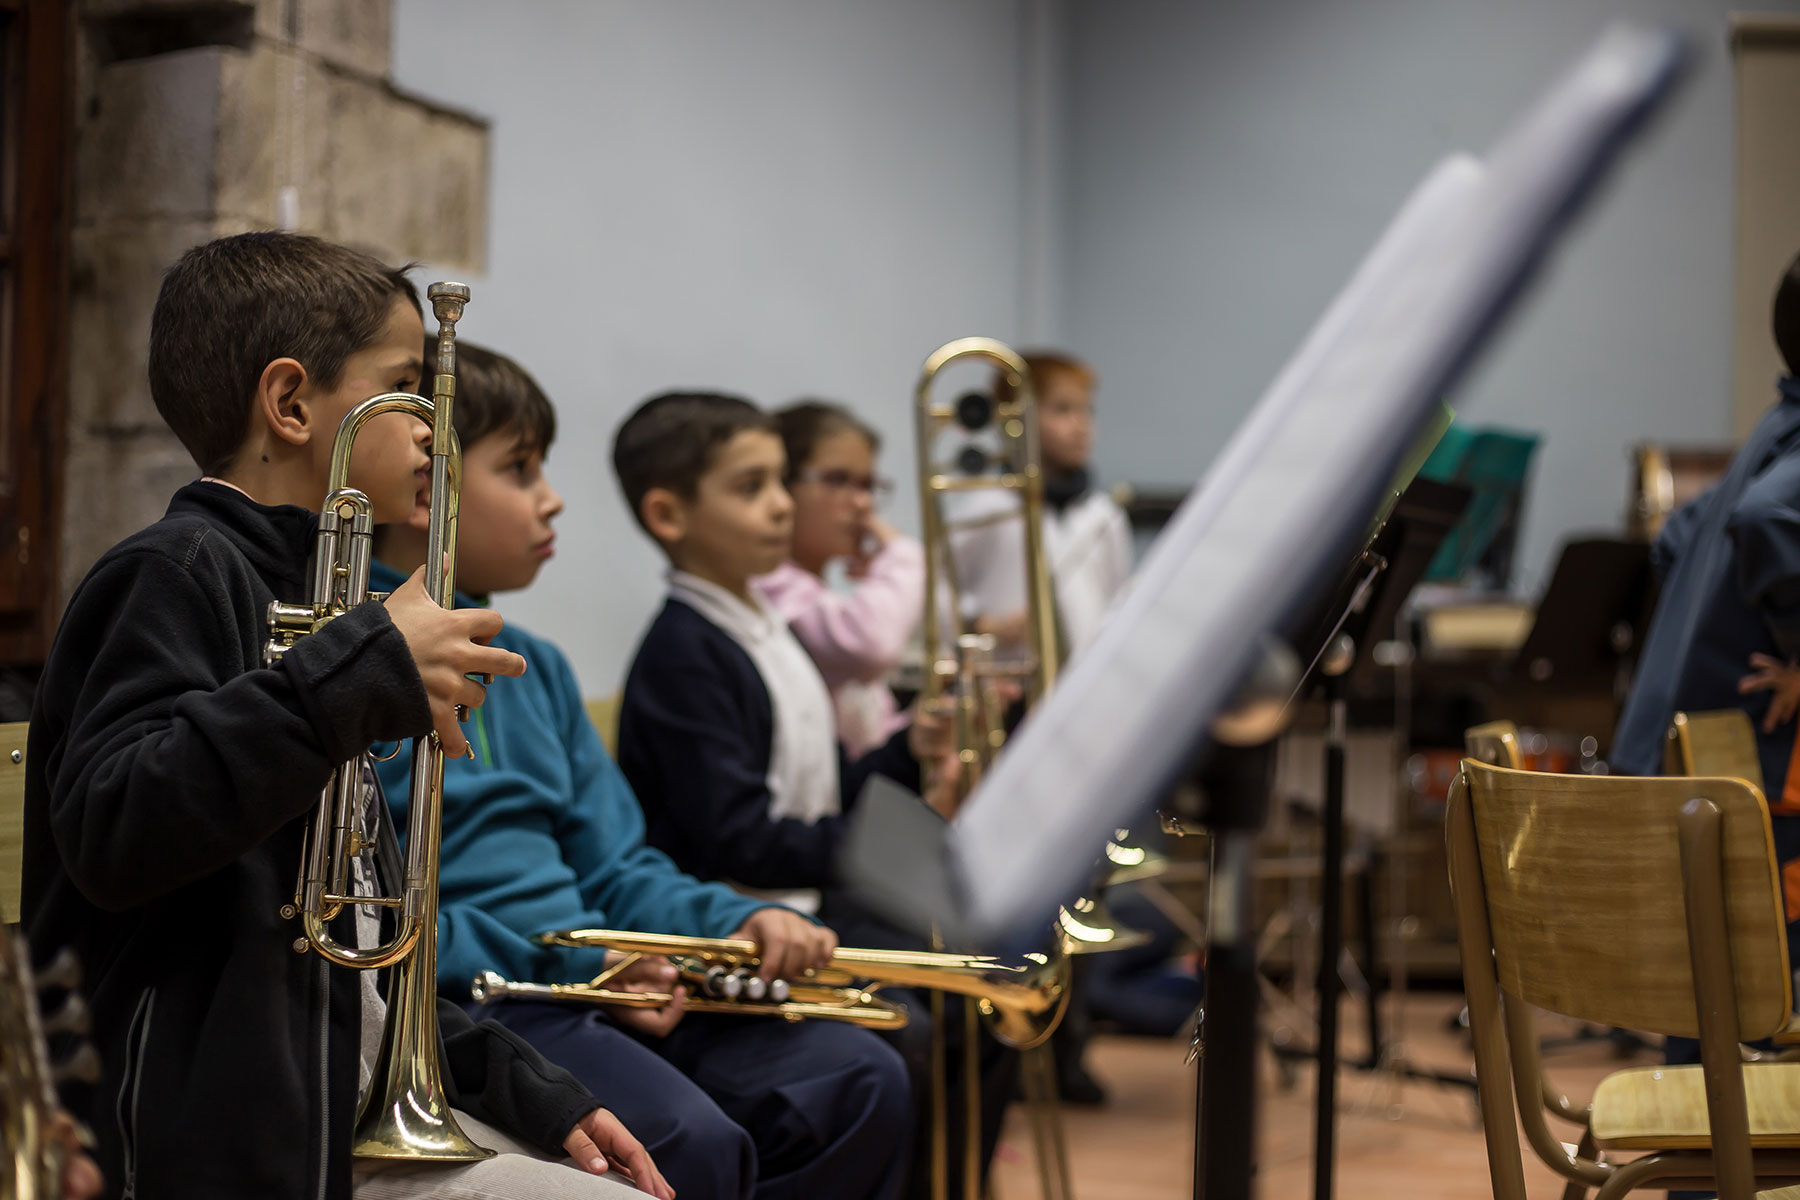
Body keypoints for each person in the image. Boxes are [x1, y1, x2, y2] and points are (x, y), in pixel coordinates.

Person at [21, 232, 667, 1200]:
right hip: (216, 1143)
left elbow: (354, 951)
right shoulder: (170, 573)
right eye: (406, 389)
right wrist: (353, 678)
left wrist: (528, 1089)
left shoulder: (325, 607)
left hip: (334, 1103)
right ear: (290, 404)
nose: (431, 430)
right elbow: (115, 828)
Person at [370, 344, 913, 1200]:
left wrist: (737, 918)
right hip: (483, 1001)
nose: (552, 499)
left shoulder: (539, 666)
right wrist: (576, 969)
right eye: (520, 469)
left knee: (856, 1079)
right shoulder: (358, 665)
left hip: (593, 980)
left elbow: (619, 865)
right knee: (691, 1142)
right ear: (422, 492)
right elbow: (379, 914)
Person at [611, 391, 1010, 1200]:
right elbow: (740, 843)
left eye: (779, 482)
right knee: (907, 1032)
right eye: (751, 487)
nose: (781, 505)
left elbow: (824, 797)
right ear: (669, 515)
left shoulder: (766, 627)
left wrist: (908, 751)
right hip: (733, 936)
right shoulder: (685, 652)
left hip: (801, 909)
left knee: (985, 997)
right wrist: (884, 844)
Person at [757, 401, 923, 757]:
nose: (863, 504)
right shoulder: (769, 585)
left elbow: (871, 729)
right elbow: (869, 644)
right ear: (782, 486)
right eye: (838, 480)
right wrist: (900, 554)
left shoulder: (813, 590)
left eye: (868, 485)